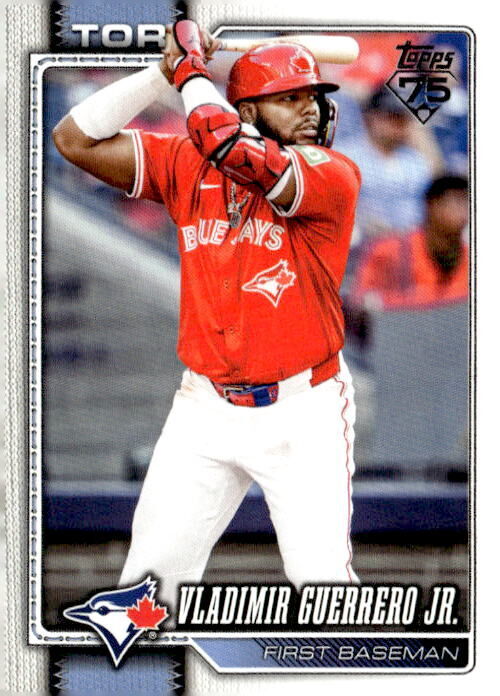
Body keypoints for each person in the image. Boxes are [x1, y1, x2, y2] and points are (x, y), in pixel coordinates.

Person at [53, 20, 361, 613]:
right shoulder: (187, 164)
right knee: (147, 586)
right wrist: (162, 72)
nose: (309, 109)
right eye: (288, 97)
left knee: (323, 586)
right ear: (246, 110)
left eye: (312, 96)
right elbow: (74, 139)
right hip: (206, 408)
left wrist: (192, 71)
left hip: (303, 410)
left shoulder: (331, 173)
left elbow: (231, 147)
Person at [349, 175, 468, 312]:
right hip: (397, 323)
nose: (464, 211)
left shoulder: (470, 257)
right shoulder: (389, 251)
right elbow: (361, 302)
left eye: (467, 203)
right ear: (432, 205)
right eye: (458, 202)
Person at [336, 87, 435, 246]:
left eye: (403, 118)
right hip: (358, 244)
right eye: (392, 117)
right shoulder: (345, 156)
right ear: (370, 117)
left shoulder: (416, 161)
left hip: (405, 246)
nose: (399, 124)